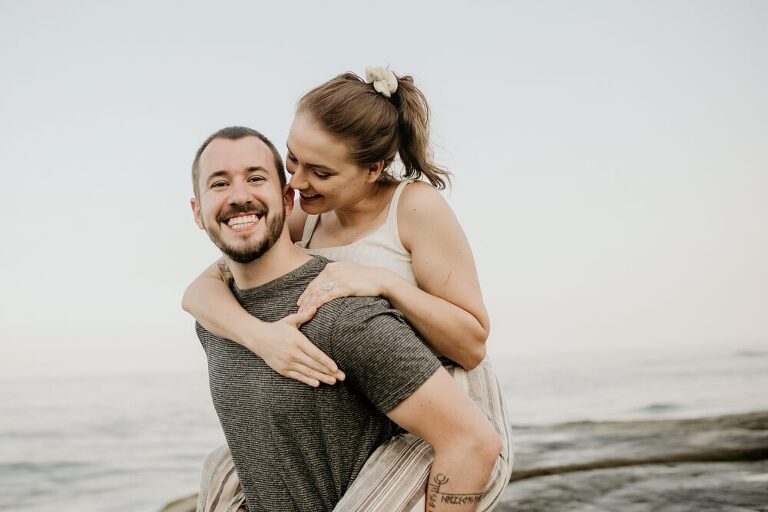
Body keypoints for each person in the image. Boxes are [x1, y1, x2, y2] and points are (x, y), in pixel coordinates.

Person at [184, 67, 513, 511]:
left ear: (373, 169)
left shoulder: (414, 207)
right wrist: (260, 337)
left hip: (455, 396)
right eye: (293, 160)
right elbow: (206, 286)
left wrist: (386, 283)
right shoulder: (308, 210)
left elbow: (472, 345)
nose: (297, 183)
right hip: (381, 396)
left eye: (319, 171)